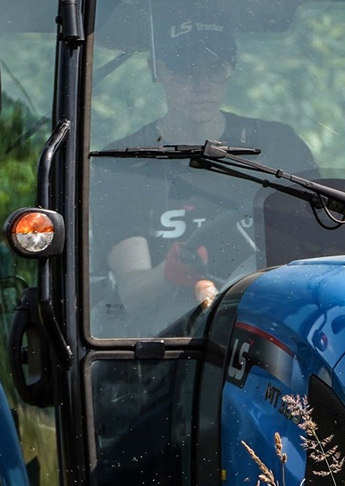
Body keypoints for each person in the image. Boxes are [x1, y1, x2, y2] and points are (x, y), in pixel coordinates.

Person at [96, 21, 315, 334]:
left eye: (215, 69)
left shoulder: (278, 147)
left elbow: (315, 255)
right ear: (157, 71)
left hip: (272, 329)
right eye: (185, 70)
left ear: (231, 70)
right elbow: (133, 293)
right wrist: (170, 273)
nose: (202, 85)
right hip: (165, 344)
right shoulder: (125, 163)